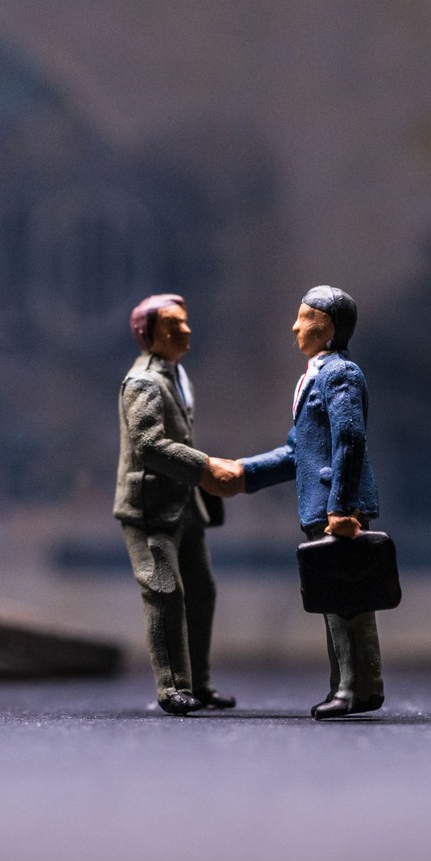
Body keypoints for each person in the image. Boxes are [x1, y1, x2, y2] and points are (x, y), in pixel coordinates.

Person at [236, 286, 384, 719]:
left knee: (343, 599)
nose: (295, 326)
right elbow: (297, 449)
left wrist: (341, 506)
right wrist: (244, 474)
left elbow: (350, 439)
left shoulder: (341, 374)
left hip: (336, 506)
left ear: (330, 328)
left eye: (306, 318)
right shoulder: (313, 376)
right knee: (339, 598)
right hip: (322, 503)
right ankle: (356, 686)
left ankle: (352, 689)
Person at [115, 293, 245, 715]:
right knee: (165, 592)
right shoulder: (144, 383)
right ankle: (172, 687)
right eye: (173, 326)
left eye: (185, 323)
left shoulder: (175, 375)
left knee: (202, 592)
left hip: (183, 503)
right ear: (149, 335)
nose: (185, 330)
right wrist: (205, 467)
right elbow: (148, 445)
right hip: (151, 506)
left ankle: (199, 684)